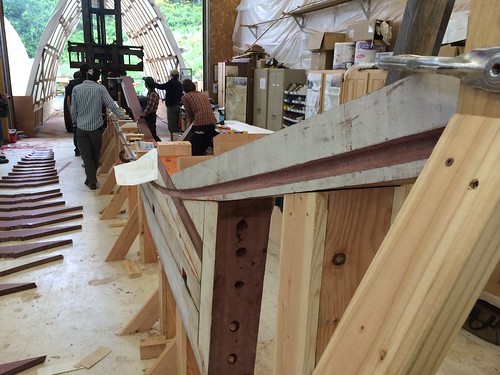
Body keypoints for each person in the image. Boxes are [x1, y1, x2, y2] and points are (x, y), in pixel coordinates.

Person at [71, 66, 126, 190]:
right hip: (96, 128)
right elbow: (111, 104)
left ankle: (89, 178)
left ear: (86, 75)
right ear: (98, 78)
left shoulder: (76, 89)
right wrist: (122, 117)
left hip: (81, 128)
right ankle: (92, 181)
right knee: (95, 155)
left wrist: (75, 122)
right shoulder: (100, 88)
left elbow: (73, 108)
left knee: (86, 156)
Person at [181, 79, 217, 156]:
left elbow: (189, 113)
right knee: (204, 148)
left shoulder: (185, 97)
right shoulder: (202, 94)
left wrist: (190, 124)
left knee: (195, 150)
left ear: (184, 88)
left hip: (200, 124)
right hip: (212, 123)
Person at [65, 63, 90, 156]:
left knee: (77, 130)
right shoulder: (92, 84)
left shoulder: (72, 84)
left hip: (77, 111)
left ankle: (78, 150)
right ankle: (87, 150)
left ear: (80, 71)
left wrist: (70, 112)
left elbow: (68, 99)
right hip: (89, 110)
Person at [154, 69, 183, 140]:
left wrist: (153, 83)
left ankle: (173, 138)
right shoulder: (180, 84)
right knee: (177, 123)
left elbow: (161, 86)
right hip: (178, 105)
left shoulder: (171, 83)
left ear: (171, 75)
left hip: (171, 106)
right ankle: (177, 138)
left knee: (171, 124)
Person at [139, 77, 161, 142]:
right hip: (149, 116)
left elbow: (149, 108)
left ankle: (160, 146)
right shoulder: (149, 93)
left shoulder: (153, 94)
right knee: (151, 133)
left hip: (151, 117)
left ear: (147, 85)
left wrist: (141, 116)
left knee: (152, 133)